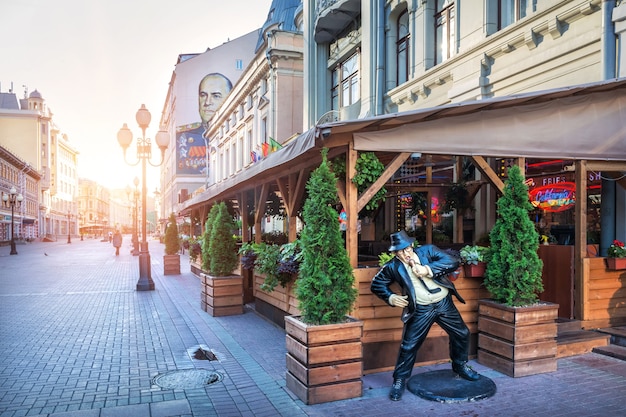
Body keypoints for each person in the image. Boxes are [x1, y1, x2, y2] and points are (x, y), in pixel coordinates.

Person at [370, 230, 479, 401]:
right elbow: (377, 283)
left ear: (412, 245)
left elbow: (452, 261)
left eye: (406, 249)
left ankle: (460, 366)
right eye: (399, 251)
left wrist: (427, 269)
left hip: (443, 303)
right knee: (409, 345)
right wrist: (390, 297)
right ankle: (399, 380)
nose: (404, 254)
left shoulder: (427, 251)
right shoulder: (392, 267)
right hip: (421, 309)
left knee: (462, 333)